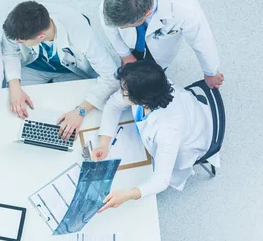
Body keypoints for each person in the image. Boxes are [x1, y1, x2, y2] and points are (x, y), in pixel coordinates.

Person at [92, 61, 219, 212]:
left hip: (190, 141)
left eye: (124, 90)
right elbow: (113, 104)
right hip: (191, 113)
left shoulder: (168, 130)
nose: (120, 93)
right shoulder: (153, 84)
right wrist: (104, 144)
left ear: (142, 98)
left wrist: (128, 194)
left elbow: (161, 181)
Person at [1, 1, 118, 138]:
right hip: (32, 66)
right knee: (16, 113)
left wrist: (80, 111)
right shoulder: (15, 26)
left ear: (41, 37)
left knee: (72, 119)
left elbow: (112, 77)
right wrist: (15, 87)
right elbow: (10, 53)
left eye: (21, 42)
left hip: (69, 70)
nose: (17, 43)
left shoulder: (80, 32)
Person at [100, 0, 224, 89]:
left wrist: (210, 72)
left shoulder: (183, 6)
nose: (121, 29)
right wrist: (125, 55)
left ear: (147, 14)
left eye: (125, 26)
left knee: (155, 69)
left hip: (161, 47)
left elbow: (201, 38)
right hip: (133, 39)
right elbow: (108, 23)